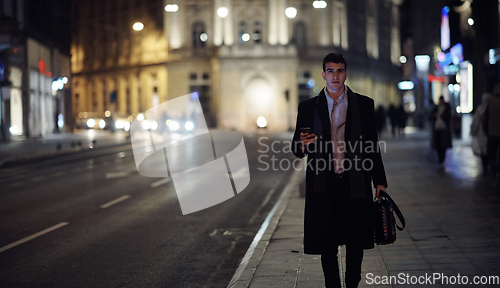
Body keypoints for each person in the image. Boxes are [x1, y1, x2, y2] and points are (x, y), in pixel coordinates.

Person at [291, 53, 388, 288]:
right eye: (331, 71)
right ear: (323, 74)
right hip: (323, 184)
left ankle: (352, 284)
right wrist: (302, 144)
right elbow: (297, 148)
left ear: (346, 73)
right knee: (327, 242)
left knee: (356, 241)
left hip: (354, 183)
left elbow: (371, 147)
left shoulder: (364, 105)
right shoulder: (308, 107)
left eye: (340, 71)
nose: (335, 76)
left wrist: (380, 182)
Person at [482, 81, 500, 190]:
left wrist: (486, 130)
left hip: (492, 133)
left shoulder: (490, 102)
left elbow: (484, 117)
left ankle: (495, 175)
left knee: (491, 155)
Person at [429, 96, 452, 168]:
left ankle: (442, 159)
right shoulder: (436, 108)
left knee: (443, 145)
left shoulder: (447, 108)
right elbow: (430, 117)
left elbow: (448, 117)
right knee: (438, 145)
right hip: (437, 129)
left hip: (444, 129)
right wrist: (434, 115)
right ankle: (440, 159)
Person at [470, 92, 491, 175]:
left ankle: (485, 167)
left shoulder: (480, 109)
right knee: (489, 150)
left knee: (483, 151)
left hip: (482, 132)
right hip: (489, 132)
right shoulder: (491, 108)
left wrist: (473, 131)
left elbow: (476, 121)